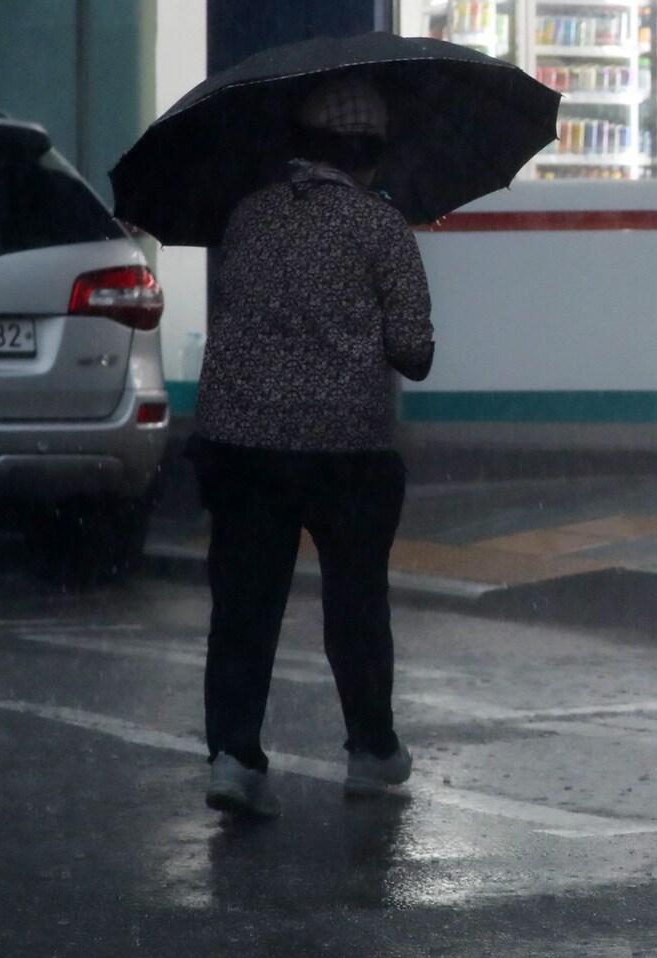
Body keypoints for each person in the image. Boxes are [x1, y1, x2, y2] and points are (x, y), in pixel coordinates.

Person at [187, 75, 435, 818]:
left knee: (244, 603)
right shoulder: (379, 226)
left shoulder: (249, 218)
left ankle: (234, 756)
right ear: (373, 154)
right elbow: (413, 351)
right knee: (355, 599)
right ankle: (369, 748)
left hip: (239, 443)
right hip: (345, 449)